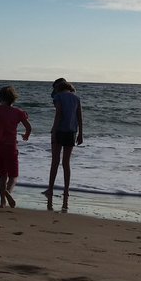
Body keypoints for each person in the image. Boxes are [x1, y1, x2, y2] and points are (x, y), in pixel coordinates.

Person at [0, 85, 31, 208]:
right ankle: (8, 192)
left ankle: (2, 201)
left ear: (0, 97)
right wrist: (26, 136)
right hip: (10, 146)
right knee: (13, 176)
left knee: (2, 175)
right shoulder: (18, 112)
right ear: (14, 98)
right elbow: (28, 127)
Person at [43, 78, 83, 208]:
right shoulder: (76, 98)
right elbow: (79, 117)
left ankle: (50, 189)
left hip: (60, 130)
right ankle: (66, 191)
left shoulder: (58, 97)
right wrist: (81, 133)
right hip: (72, 132)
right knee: (66, 163)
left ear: (58, 88)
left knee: (55, 161)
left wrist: (53, 131)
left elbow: (58, 115)